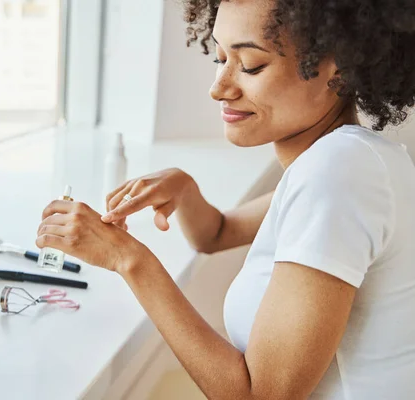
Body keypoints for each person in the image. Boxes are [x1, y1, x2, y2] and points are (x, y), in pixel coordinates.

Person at [36, 0, 415, 398]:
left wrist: (126, 259)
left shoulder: (339, 174)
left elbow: (258, 395)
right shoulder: (357, 161)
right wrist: (183, 189)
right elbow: (217, 234)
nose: (219, 88)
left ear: (338, 68)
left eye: (250, 64)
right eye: (220, 57)